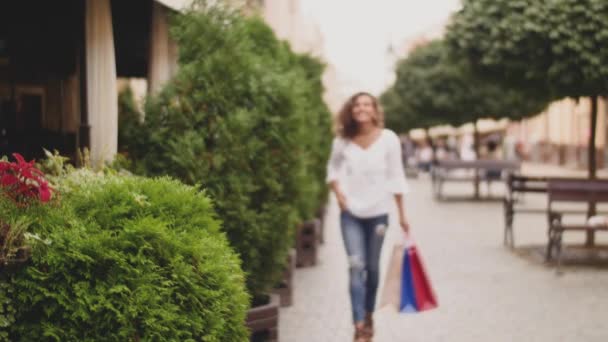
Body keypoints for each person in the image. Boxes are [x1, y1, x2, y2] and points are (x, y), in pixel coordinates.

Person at [326, 92, 410, 342]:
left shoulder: (388, 140)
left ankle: (369, 314)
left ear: (374, 110)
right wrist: (339, 194)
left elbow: (396, 177)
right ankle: (359, 325)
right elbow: (332, 169)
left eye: (366, 104)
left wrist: (404, 215)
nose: (361, 109)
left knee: (372, 269)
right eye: (357, 105)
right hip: (350, 214)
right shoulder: (342, 141)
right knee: (355, 266)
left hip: (378, 215)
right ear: (351, 111)